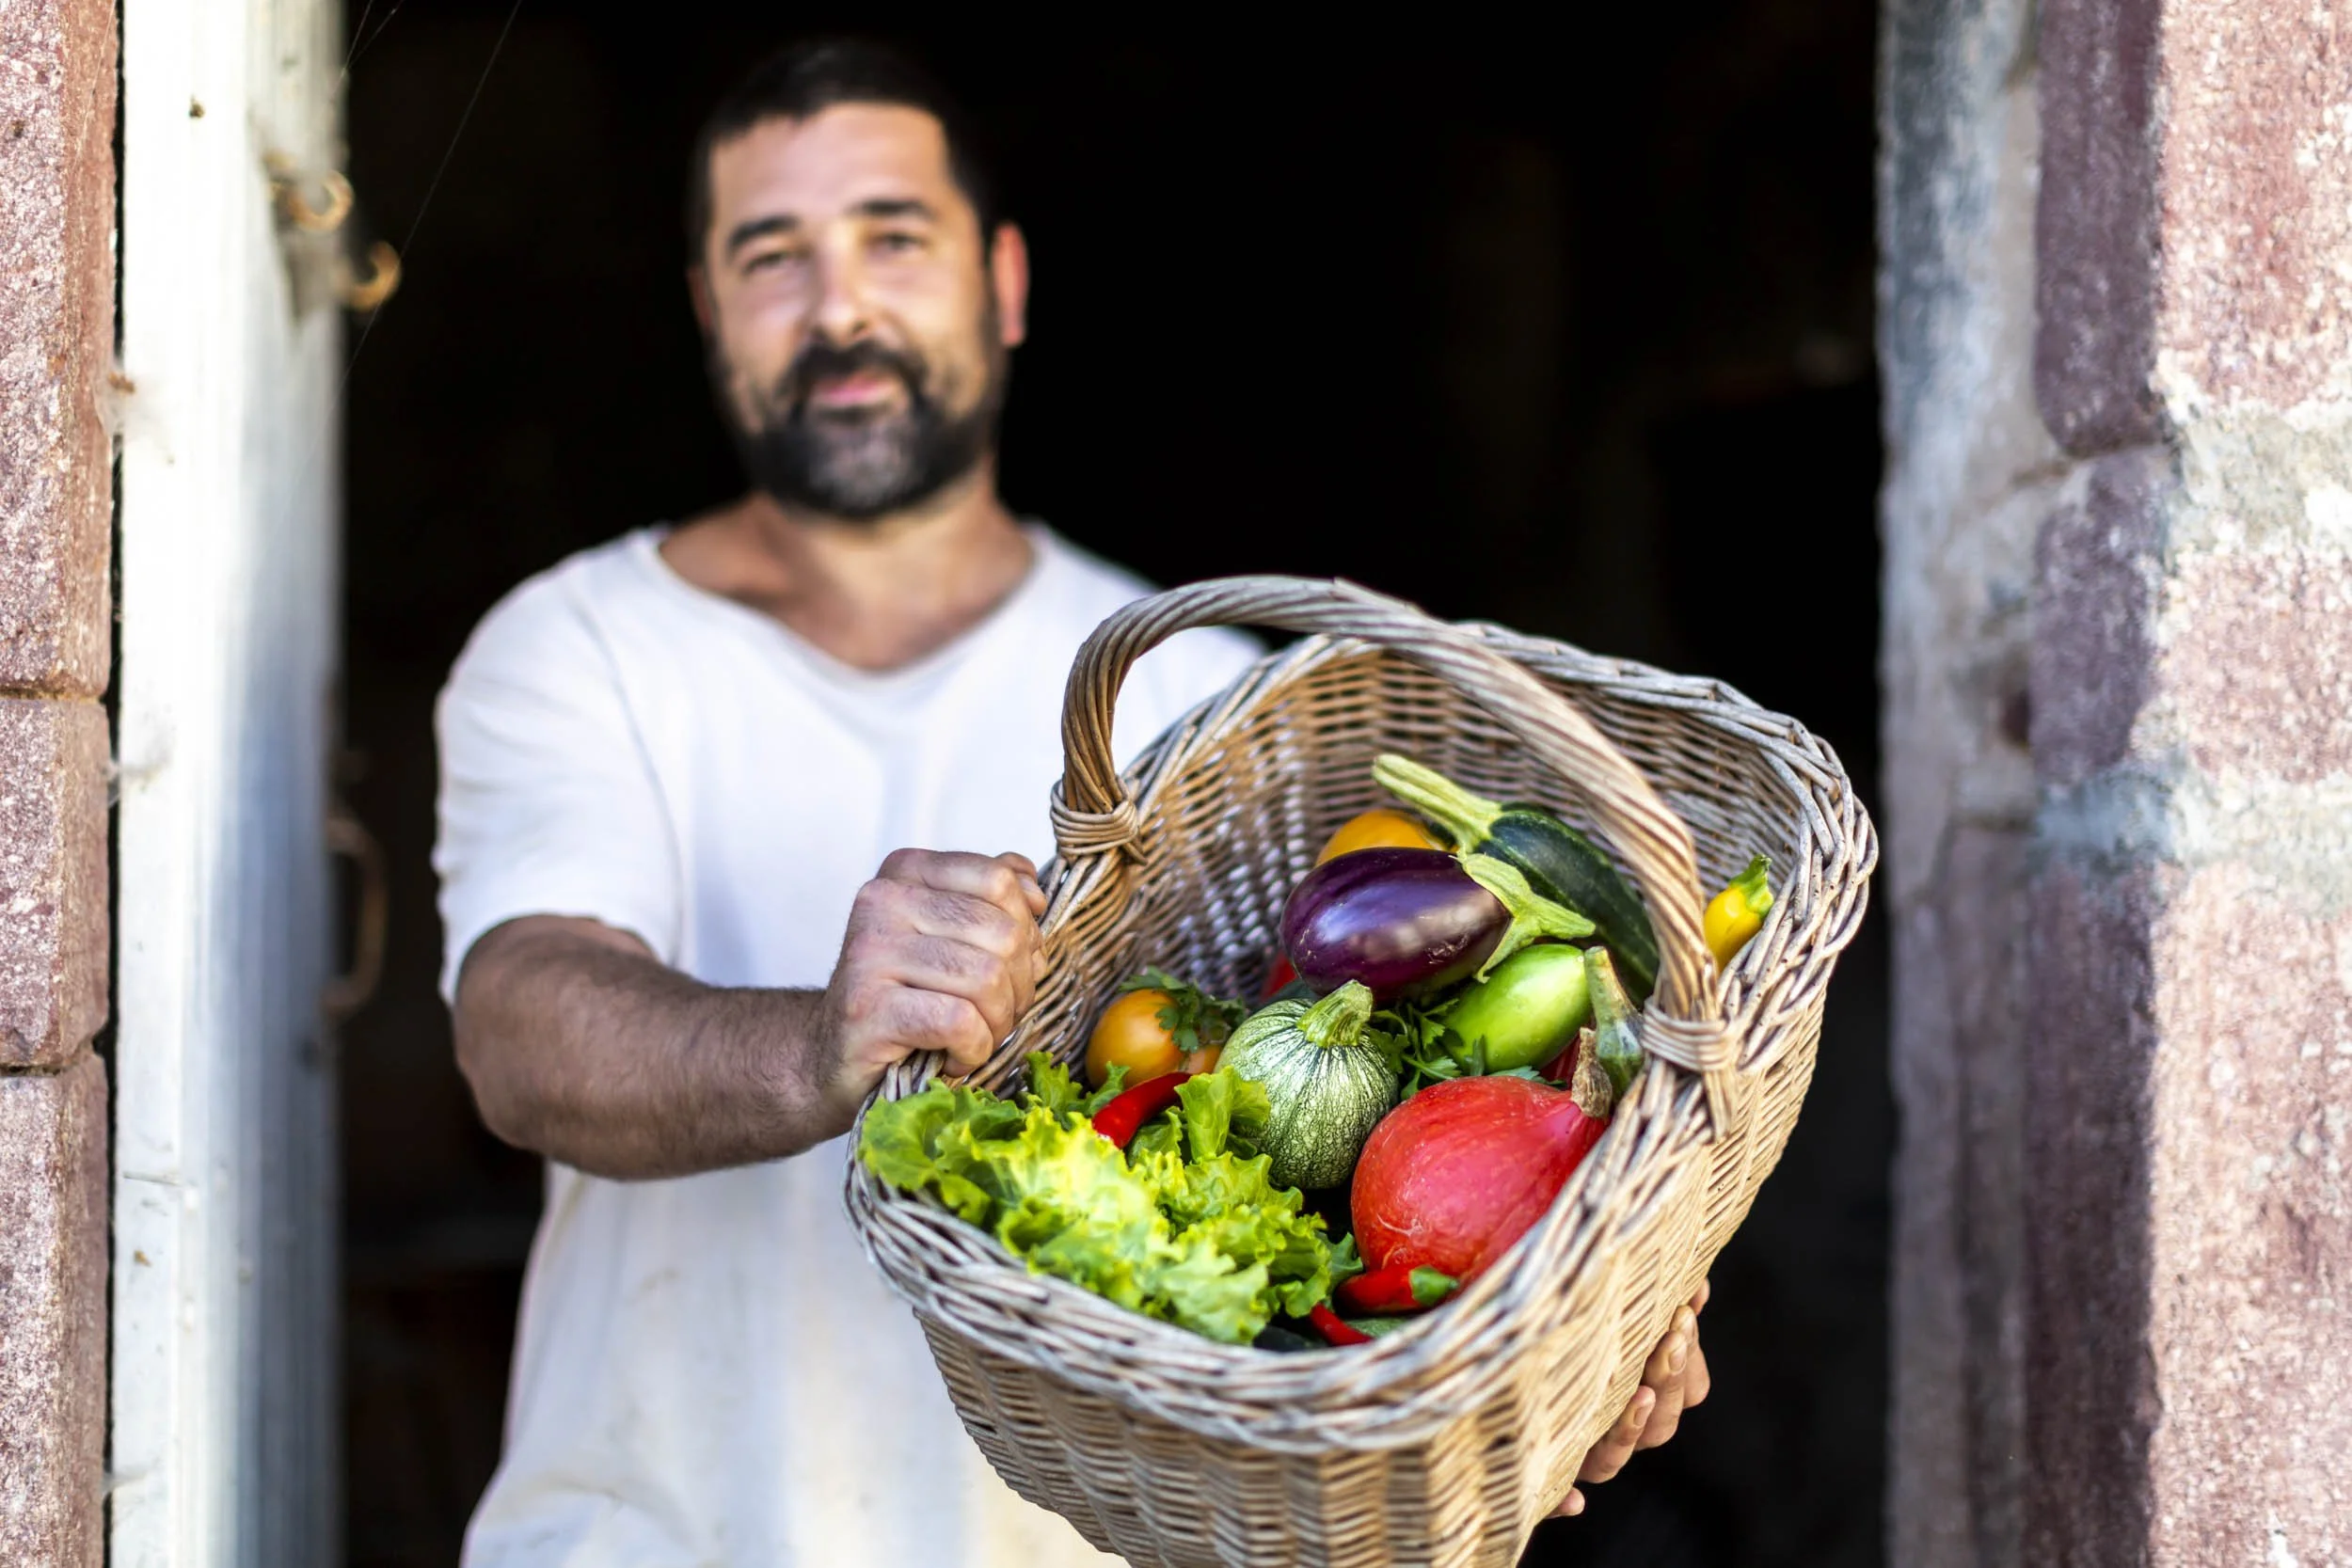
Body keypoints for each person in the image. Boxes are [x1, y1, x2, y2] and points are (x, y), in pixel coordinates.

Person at [436, 39, 1708, 1567]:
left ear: (1006, 282)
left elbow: (1349, 1172)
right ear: (708, 310)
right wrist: (818, 1045)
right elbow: (518, 1025)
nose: (840, 307)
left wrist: (1560, 1309)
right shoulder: (577, 646)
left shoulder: (1199, 699)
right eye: (772, 258)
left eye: (894, 238)